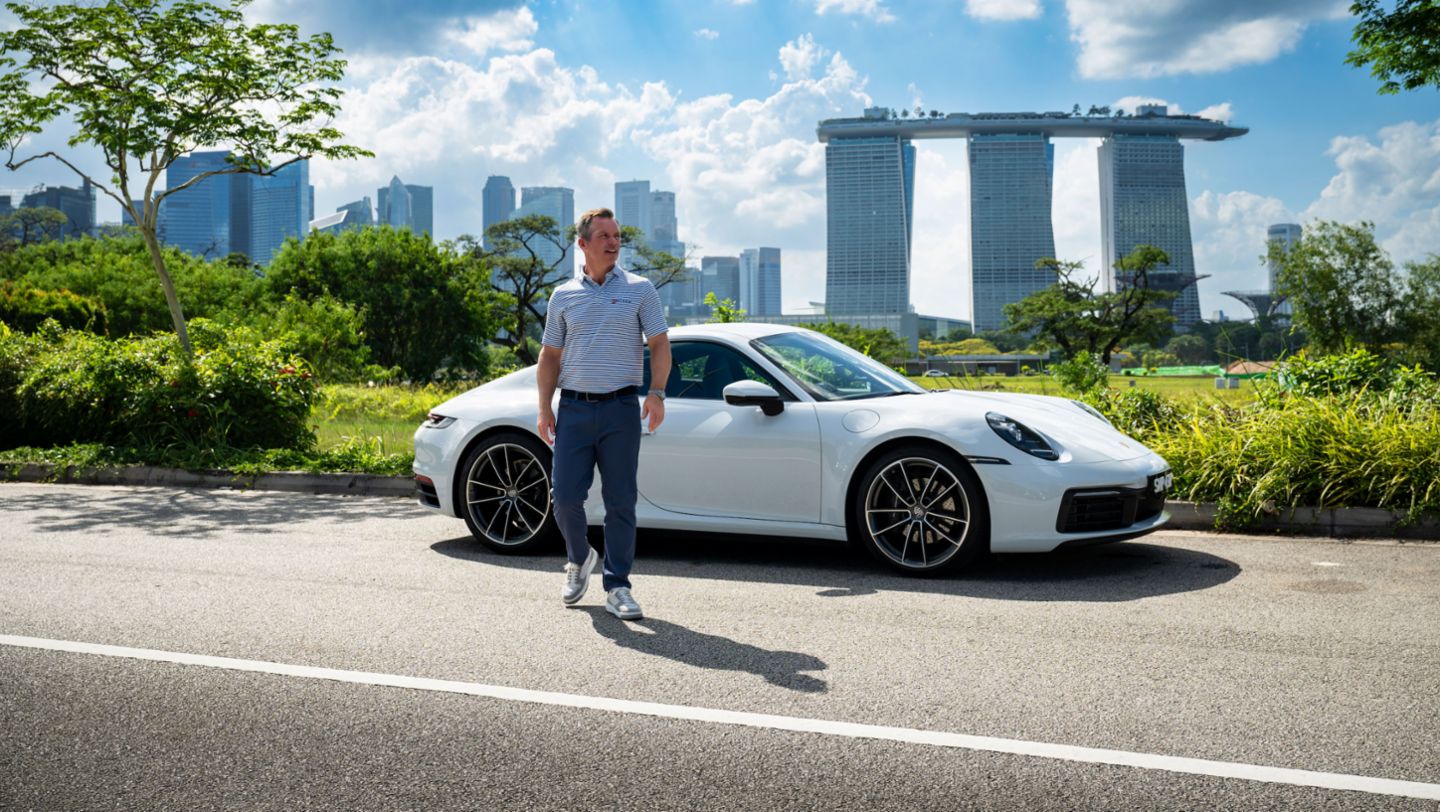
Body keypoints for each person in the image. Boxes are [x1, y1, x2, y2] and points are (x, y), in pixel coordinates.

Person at [537, 207, 671, 621]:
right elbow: (550, 356)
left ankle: (618, 586)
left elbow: (660, 345)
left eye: (617, 236)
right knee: (564, 498)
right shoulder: (563, 295)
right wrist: (544, 407)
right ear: (583, 244)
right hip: (574, 408)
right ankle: (579, 558)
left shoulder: (640, 289)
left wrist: (657, 393)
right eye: (604, 236)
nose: (613, 243)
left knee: (620, 502)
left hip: (620, 410)